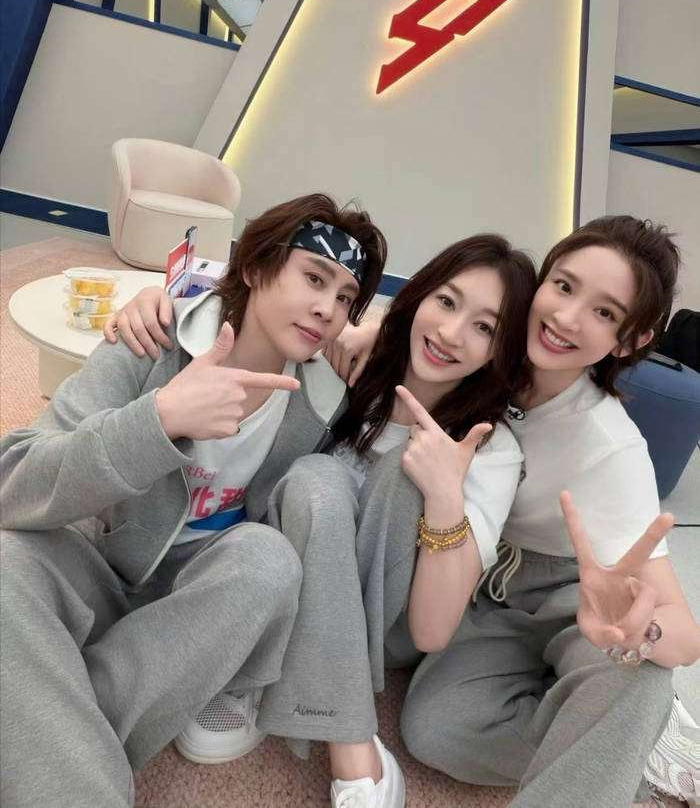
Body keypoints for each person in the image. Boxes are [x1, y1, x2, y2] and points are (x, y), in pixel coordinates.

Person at [106, 233, 537, 807]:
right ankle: (329, 714)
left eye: (485, 327)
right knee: (314, 479)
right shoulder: (351, 368)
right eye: (446, 302)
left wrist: (443, 495)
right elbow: (262, 307)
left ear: (501, 350)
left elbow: (431, 633)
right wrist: (163, 299)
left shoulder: (490, 446)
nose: (452, 333)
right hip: (292, 574)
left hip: (387, 618)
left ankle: (336, 732)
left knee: (395, 474)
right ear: (419, 297)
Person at [0, 193, 387, 808]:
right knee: (6, 562)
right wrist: (159, 419)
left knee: (269, 561)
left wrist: (378, 329)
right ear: (255, 268)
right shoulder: (151, 339)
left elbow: (434, 362)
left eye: (346, 298)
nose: (327, 309)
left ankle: (38, 723)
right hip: (97, 565)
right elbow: (13, 479)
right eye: (314, 278)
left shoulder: (323, 399)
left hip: (199, 604)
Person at [323, 215, 699, 807]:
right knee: (435, 730)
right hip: (490, 587)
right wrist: (377, 330)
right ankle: (619, 736)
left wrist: (639, 630)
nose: (566, 317)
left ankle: (632, 723)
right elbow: (437, 318)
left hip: (576, 592)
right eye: (564, 286)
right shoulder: (495, 354)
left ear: (630, 341)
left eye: (604, 313)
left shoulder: (610, 448)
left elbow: (682, 634)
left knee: (638, 671)